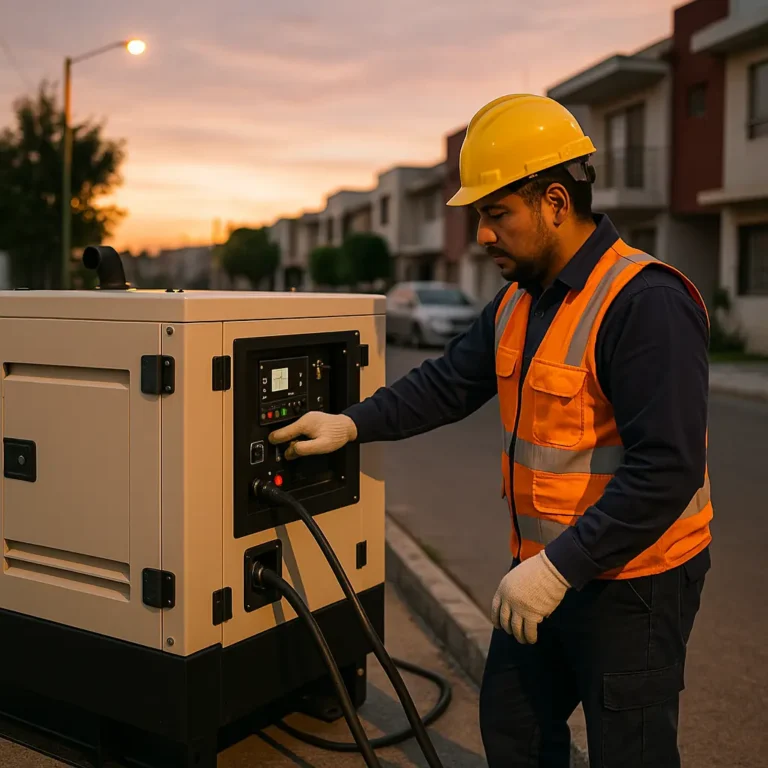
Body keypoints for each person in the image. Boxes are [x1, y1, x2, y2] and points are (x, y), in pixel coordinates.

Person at [269, 94, 712, 768]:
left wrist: (559, 569)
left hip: (634, 584)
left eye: (496, 213)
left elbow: (668, 469)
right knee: (514, 729)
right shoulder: (518, 301)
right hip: (544, 570)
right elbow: (446, 383)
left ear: (556, 203)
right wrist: (351, 423)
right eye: (479, 216)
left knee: (631, 751)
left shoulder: (645, 302)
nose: (482, 235)